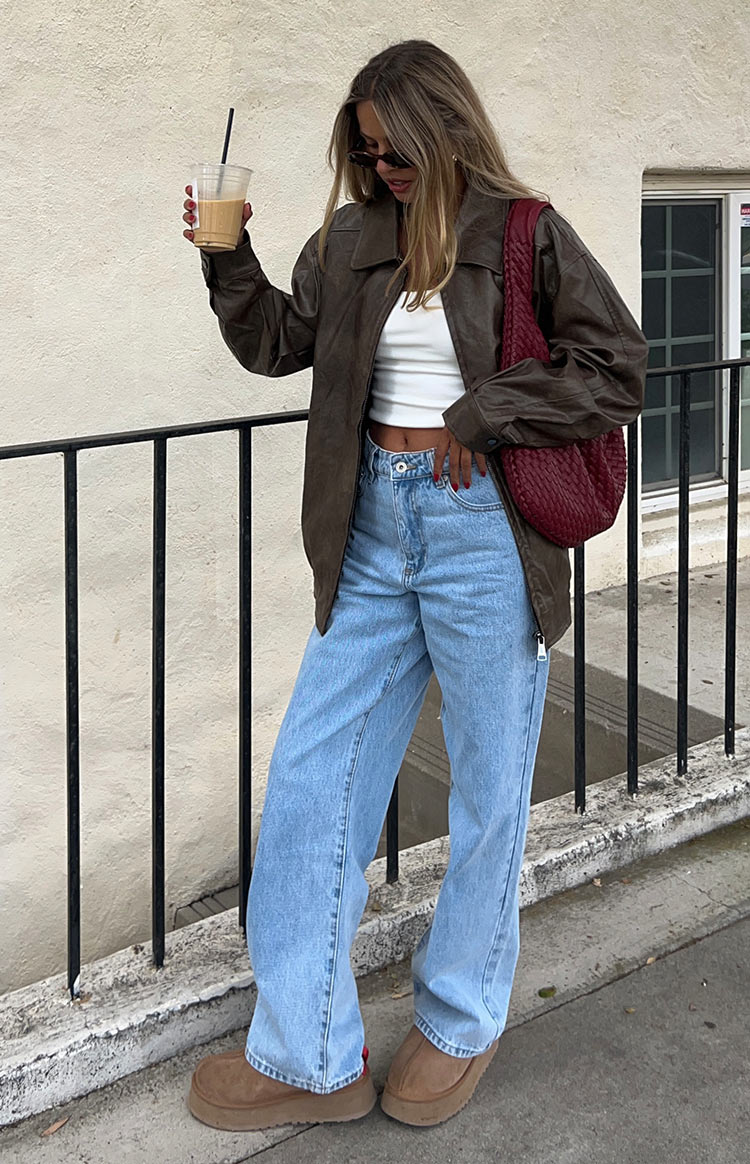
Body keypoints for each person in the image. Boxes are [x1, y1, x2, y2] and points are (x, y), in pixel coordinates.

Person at [182, 39, 648, 1131]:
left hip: (485, 531)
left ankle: (459, 1018)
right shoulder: (346, 236)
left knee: (489, 795)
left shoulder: (524, 230)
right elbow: (278, 343)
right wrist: (227, 257)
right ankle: (309, 1054)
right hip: (370, 530)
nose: (380, 168)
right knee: (312, 782)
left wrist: (483, 415)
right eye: (365, 149)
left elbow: (616, 364)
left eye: (395, 150)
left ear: (443, 130)